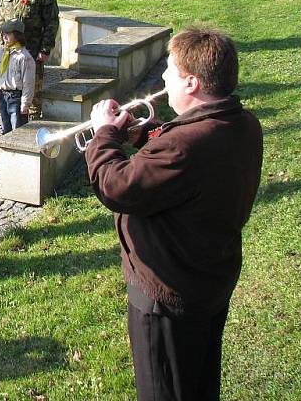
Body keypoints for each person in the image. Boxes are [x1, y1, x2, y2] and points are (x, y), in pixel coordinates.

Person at [85, 27, 263, 401]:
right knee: (198, 387)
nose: (163, 78)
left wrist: (102, 135)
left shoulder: (184, 147)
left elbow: (115, 186)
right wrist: (143, 137)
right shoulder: (243, 123)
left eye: (170, 70)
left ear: (193, 83)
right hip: (208, 280)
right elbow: (187, 166)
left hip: (167, 297)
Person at [0, 0, 59, 118]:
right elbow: (2, 17)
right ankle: (13, 120)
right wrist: (1, 44)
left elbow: (51, 22)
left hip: (32, 49)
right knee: (11, 86)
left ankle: (32, 122)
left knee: (33, 89)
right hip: (10, 50)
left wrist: (46, 48)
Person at [0, 19, 36, 134]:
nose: (4, 37)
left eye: (8, 34)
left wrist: (25, 103)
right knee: (5, 128)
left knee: (17, 129)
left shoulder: (24, 57)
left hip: (16, 98)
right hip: (3, 96)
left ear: (17, 36)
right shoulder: (2, 52)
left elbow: (28, 82)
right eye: (3, 34)